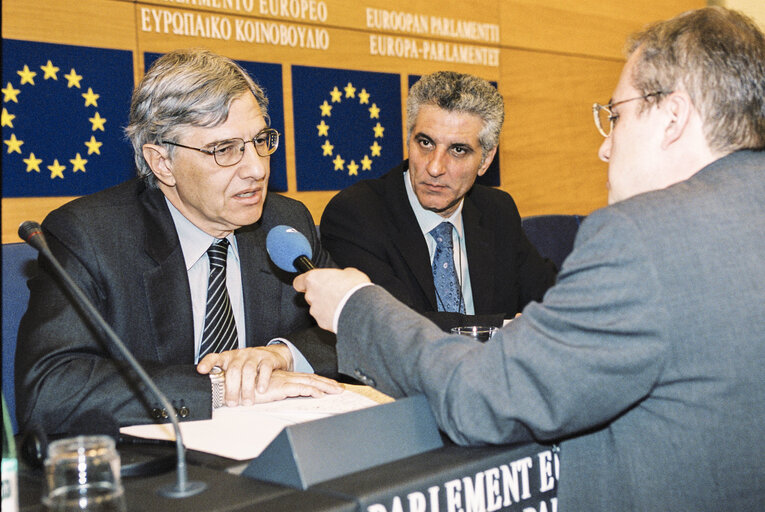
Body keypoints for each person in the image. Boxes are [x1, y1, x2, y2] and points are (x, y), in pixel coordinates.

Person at [295, 7, 765, 510]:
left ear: (672, 117)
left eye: (617, 115)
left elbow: (486, 399)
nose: (606, 147)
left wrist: (355, 307)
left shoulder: (640, 237)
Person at [15, 49, 342, 436]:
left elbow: (353, 330)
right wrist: (220, 389)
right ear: (162, 163)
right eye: (225, 149)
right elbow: (49, 391)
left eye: (259, 141)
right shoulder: (89, 237)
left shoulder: (285, 223)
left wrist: (282, 355)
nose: (256, 168)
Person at [320, 71, 556, 331]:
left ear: (486, 160)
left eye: (457, 150)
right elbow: (395, 324)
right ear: (409, 139)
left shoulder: (497, 210)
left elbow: (552, 295)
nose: (434, 167)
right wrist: (507, 327)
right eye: (425, 143)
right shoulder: (357, 213)